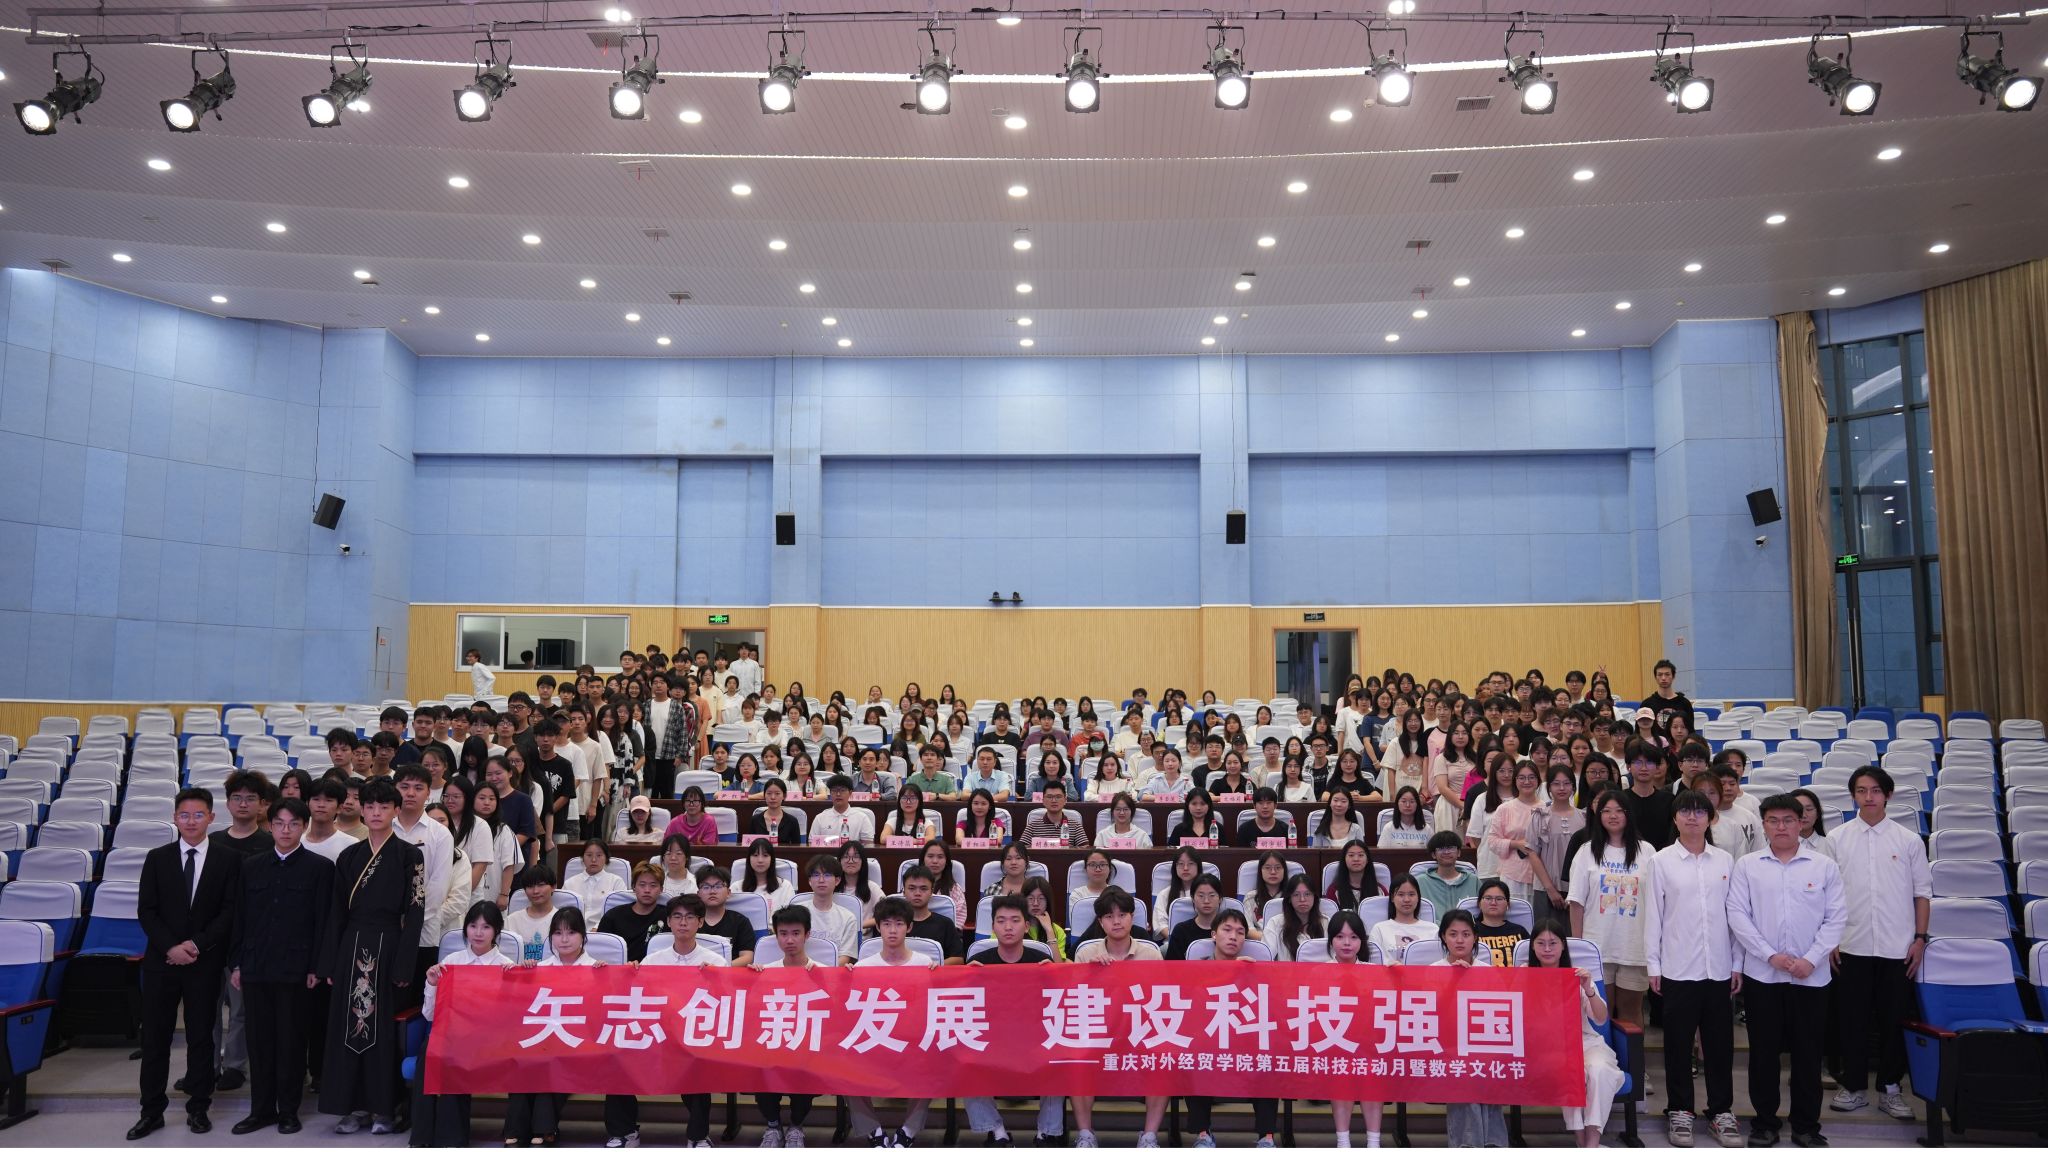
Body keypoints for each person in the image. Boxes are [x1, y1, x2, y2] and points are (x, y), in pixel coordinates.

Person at [1730, 794, 1848, 1150]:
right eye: (1773, 820)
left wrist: (1811, 959)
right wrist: (1770, 956)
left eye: (1788, 820)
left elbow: (1836, 917)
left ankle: (1806, 1126)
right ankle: (1764, 1123)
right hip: (1763, 976)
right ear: (1763, 825)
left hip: (1811, 977)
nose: (1780, 827)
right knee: (1763, 1054)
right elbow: (1737, 914)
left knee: (1808, 1054)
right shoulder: (1747, 866)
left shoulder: (1823, 866)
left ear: (1801, 823)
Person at [132, 787, 243, 1141]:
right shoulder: (157, 858)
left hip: (204, 962)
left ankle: (199, 1107)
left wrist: (196, 945)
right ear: (174, 818)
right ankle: (151, 1111)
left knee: (201, 1038)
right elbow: (147, 910)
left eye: (198, 815)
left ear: (211, 817)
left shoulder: (228, 859)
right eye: (184, 815)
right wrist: (171, 947)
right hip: (162, 962)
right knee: (156, 1039)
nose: (191, 821)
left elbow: (230, 911)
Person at [319, 777, 427, 1135]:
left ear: (396, 810)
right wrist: (330, 962)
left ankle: (384, 1108)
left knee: (381, 1029)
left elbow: (415, 912)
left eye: (383, 806)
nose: (376, 812)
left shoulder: (411, 855)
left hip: (389, 945)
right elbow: (335, 913)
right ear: (362, 811)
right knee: (347, 1029)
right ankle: (353, 1107)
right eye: (370, 806)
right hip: (352, 945)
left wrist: (405, 963)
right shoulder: (349, 856)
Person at [226, 797, 334, 1136]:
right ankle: (260, 1110)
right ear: (269, 826)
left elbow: (324, 922)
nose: (286, 830)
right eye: (279, 823)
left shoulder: (320, 868)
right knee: (259, 1043)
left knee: (291, 1043)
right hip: (256, 966)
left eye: (293, 824)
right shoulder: (251, 866)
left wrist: (317, 966)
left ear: (304, 826)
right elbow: (239, 918)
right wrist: (237, 963)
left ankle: (288, 1111)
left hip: (297, 970)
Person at [1828, 766, 1930, 1121]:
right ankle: (1853, 1086)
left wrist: (1920, 939)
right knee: (1851, 1021)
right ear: (1853, 795)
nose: (1868, 797)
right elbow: (1828, 896)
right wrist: (1830, 939)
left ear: (1888, 794)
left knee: (1893, 1020)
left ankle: (1890, 1088)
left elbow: (1922, 895)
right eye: (1861, 790)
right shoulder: (1837, 839)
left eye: (1875, 790)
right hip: (1850, 944)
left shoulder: (1908, 840)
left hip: (1898, 948)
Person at [1072, 888, 1167, 1149]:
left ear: (1132, 918)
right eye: (1109, 916)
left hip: (1140, 1032)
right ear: (1100, 922)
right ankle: (1085, 1134)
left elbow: (1162, 999)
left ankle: (1149, 1136)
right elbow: (1075, 1000)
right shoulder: (1085, 954)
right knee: (1076, 1059)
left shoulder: (1151, 953)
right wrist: (1092, 972)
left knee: (1163, 1058)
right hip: (1098, 1033)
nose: (1116, 921)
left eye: (1122, 915)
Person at [965, 895, 1063, 1144]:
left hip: (1035, 1040)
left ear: (1027, 926)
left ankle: (1047, 1133)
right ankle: (996, 1131)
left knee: (1061, 1059)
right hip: (992, 1042)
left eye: (1015, 920)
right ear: (992, 926)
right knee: (965, 1064)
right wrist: (964, 978)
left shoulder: (1040, 961)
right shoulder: (979, 962)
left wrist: (1054, 976)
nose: (1008, 927)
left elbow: (1060, 1003)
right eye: (1001, 921)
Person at [1182, 909, 1280, 1148]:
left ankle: (1266, 1137)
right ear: (1213, 934)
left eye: (1240, 932)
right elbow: (1192, 1007)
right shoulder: (1197, 969)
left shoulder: (1255, 970)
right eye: (1227, 930)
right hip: (1207, 1042)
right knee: (1193, 1059)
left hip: (1245, 1043)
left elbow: (1265, 1011)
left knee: (1267, 1061)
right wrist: (1227, 973)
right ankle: (1203, 1134)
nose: (1233, 936)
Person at [504, 908, 602, 1146]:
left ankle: (543, 1128)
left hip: (578, 1041)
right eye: (558, 933)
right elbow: (521, 1011)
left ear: (583, 936)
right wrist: (519, 975)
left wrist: (605, 977)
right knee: (525, 1057)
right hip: (544, 1038)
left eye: (571, 933)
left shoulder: (597, 969)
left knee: (552, 1060)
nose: (564, 939)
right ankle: (518, 1128)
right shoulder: (540, 968)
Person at [1526, 922, 1626, 1149]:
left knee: (1600, 1070)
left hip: (1584, 1042)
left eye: (1553, 943)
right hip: (1545, 1048)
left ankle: (1592, 1142)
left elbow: (1600, 1019)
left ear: (1563, 946)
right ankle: (1580, 1139)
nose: (1547, 949)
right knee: (1570, 1071)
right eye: (1541, 943)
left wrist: (1589, 988)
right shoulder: (1524, 974)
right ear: (1532, 946)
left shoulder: (1578, 976)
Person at [849, 897, 938, 1146]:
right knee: (843, 1068)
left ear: (909, 927)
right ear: (878, 927)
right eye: (886, 924)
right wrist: (845, 979)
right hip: (874, 1040)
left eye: (899, 924)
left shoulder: (925, 964)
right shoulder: (863, 967)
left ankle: (908, 1131)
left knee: (933, 1063)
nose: (892, 930)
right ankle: (873, 1131)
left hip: (914, 1042)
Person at [1569, 789, 1651, 1029]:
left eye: (1619, 810)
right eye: (1606, 811)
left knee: (1631, 1014)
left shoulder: (1647, 851)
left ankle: (1633, 1057)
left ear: (1628, 814)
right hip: (1597, 947)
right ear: (1598, 815)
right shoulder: (1586, 851)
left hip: (1634, 946)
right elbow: (1576, 903)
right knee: (1599, 1015)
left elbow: (1656, 902)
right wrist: (1579, 947)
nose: (1613, 816)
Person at [1432, 910, 1507, 1146]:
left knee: (1485, 1065)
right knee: (1466, 1070)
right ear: (1443, 937)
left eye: (1466, 934)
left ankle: (1489, 1143)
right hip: (1446, 1048)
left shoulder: (1488, 971)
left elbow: (1501, 1013)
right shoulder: (1433, 970)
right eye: (1453, 934)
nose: (1459, 940)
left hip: (1484, 1045)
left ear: (1475, 937)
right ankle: (1471, 1144)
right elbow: (1433, 1017)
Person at [756, 906, 822, 1147]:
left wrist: (843, 976)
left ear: (807, 935)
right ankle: (773, 1125)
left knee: (806, 1068)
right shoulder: (764, 972)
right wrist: (750, 979)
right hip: (772, 1042)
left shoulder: (823, 972)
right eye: (783, 934)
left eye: (796, 933)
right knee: (758, 1066)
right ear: (776, 936)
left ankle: (796, 1127)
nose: (790, 940)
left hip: (807, 1046)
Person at [1324, 910, 1384, 1148]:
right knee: (1341, 1072)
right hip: (1334, 1044)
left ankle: (1374, 1142)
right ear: (1331, 940)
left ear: (1362, 941)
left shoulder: (1375, 972)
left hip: (1368, 1045)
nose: (1347, 943)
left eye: (1353, 937)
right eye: (1340, 937)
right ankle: (1343, 1141)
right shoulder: (1318, 972)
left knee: (1373, 1071)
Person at [1528, 765, 1587, 927]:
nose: (1562, 788)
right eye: (1556, 783)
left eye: (1567, 783)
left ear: (1573, 787)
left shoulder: (1584, 817)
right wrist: (1550, 889)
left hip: (1577, 890)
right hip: (1545, 889)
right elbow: (1532, 854)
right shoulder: (1539, 816)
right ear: (1549, 787)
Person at [596, 862, 669, 959]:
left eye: (653, 885)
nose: (647, 890)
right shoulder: (613, 916)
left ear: (661, 889)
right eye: (642, 885)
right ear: (634, 887)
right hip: (620, 967)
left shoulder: (669, 917)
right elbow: (601, 952)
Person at [900, 865, 966, 964]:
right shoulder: (893, 923)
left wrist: (937, 966)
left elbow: (959, 959)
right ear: (904, 891)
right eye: (912, 888)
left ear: (931, 892)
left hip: (935, 972)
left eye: (923, 889)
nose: (917, 893)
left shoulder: (945, 923)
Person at [693, 867, 757, 966]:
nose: (712, 891)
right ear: (698, 894)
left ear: (728, 892)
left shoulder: (740, 921)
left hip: (730, 972)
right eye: (706, 887)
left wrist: (721, 968)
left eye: (718, 886)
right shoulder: (690, 920)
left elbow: (747, 957)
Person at [1162, 872, 1228, 960]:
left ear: (1220, 898)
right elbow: (1172, 966)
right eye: (1201, 896)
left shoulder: (1229, 929)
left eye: (1212, 895)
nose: (1206, 901)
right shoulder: (1181, 931)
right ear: (1193, 898)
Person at [1369, 874, 1434, 962]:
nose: (1406, 899)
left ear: (1418, 897)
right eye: (1401, 894)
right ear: (1392, 898)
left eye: (1411, 894)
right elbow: (1374, 963)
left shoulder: (1433, 930)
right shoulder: (1379, 929)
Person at [504, 865, 562, 963]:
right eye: (530, 886)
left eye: (541, 885)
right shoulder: (511, 920)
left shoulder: (562, 920)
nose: (535, 891)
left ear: (553, 887)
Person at [1414, 830, 1477, 918]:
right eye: (1441, 848)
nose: (1446, 852)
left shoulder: (1473, 880)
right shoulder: (1421, 881)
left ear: (1459, 852)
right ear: (1433, 854)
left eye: (1451, 848)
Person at [1471, 878, 1529, 968]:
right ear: (1479, 903)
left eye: (1499, 899)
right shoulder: (1471, 932)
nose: (1493, 903)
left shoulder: (1520, 931)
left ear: (1508, 904)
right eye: (1488, 898)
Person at [1269, 873, 1328, 961]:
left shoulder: (1326, 922)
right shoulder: (1275, 923)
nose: (1302, 899)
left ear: (1314, 897)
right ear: (1289, 898)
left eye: (1307, 894)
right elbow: (1266, 956)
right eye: (1296, 895)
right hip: (1286, 970)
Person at [563, 840, 630, 913]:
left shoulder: (616, 882)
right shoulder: (569, 883)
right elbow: (562, 911)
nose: (593, 860)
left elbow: (621, 911)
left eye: (599, 855)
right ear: (582, 858)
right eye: (589, 855)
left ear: (606, 858)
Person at [810, 775, 877, 846]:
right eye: (834, 790)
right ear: (830, 793)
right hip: (827, 853)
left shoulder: (862, 817)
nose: (838, 794)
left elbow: (868, 844)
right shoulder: (820, 818)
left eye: (842, 790)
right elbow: (812, 843)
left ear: (850, 793)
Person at [1022, 779, 1089, 847]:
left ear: (1065, 800)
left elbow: (1085, 849)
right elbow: (1021, 850)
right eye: (1049, 797)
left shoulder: (1076, 826)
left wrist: (1069, 848)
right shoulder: (1032, 826)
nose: (1054, 800)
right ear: (1043, 801)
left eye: (1058, 797)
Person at [656, 833, 699, 901]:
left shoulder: (697, 883)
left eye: (679, 853)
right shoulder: (657, 882)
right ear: (663, 857)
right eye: (668, 853)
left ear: (687, 857)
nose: (673, 858)